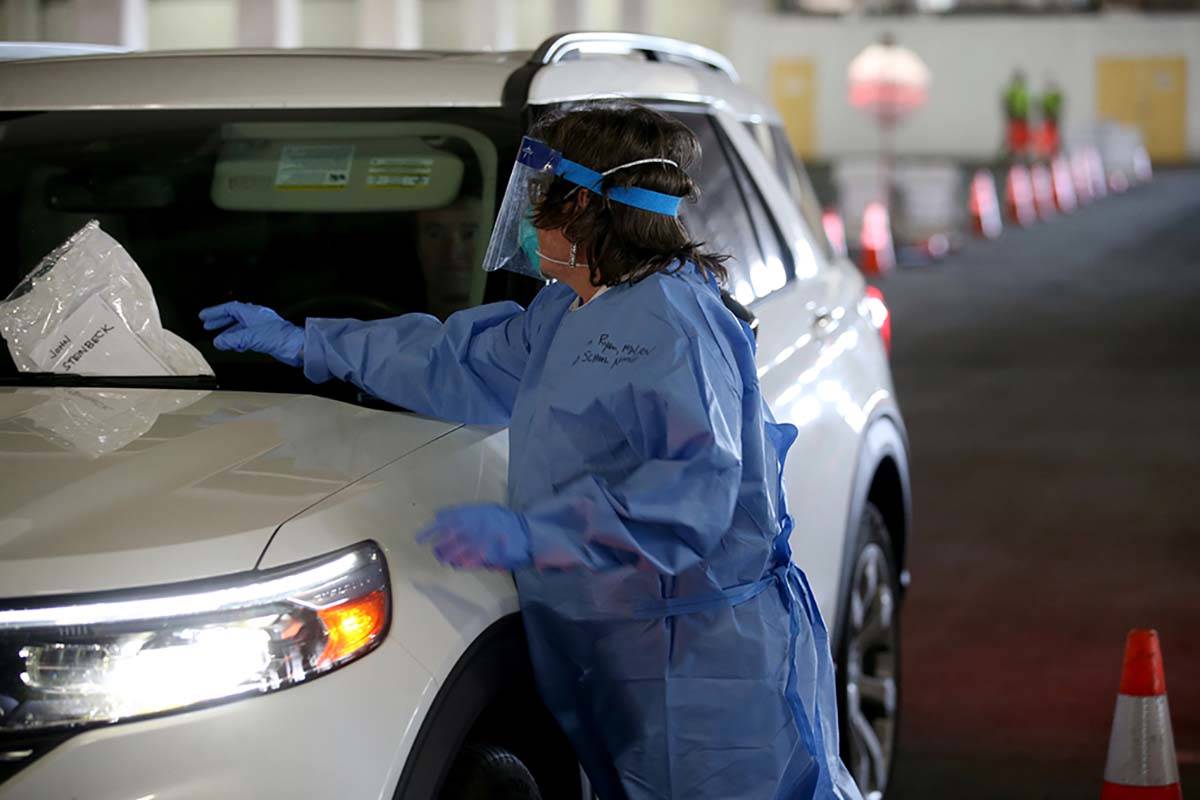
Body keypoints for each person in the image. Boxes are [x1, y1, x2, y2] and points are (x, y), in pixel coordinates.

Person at [199, 103, 861, 800]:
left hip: (704, 666)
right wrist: (312, 342)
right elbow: (460, 362)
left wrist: (536, 532)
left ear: (579, 202)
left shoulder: (676, 325)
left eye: (535, 195)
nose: (525, 216)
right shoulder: (568, 309)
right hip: (636, 648)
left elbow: (693, 495)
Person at [1003, 69, 1031, 160]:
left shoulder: (1022, 91)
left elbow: (1026, 104)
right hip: (1015, 116)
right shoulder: (1013, 91)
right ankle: (1013, 151)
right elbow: (1007, 102)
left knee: (1022, 134)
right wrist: (1010, 113)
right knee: (1014, 134)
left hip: (1022, 116)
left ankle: (1022, 150)